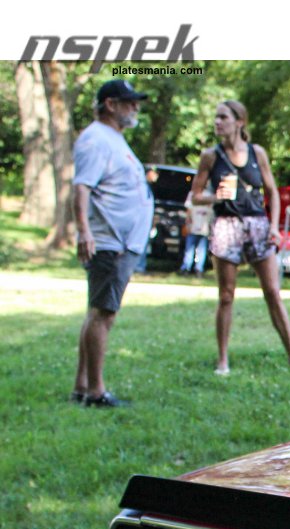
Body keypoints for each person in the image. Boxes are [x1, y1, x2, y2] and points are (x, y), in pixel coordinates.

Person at [190, 99, 290, 375]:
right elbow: (196, 196)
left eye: (223, 117)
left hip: (258, 224)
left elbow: (273, 192)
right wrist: (214, 196)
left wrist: (274, 226)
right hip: (226, 225)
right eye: (216, 117)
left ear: (239, 121)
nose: (217, 122)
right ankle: (223, 360)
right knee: (226, 296)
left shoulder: (257, 153)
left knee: (272, 292)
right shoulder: (211, 156)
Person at [70, 78, 154, 408]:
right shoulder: (96, 140)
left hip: (121, 242)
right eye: (130, 101)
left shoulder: (112, 138)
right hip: (109, 242)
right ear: (110, 104)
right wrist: (84, 232)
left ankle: (82, 386)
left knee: (99, 312)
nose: (135, 107)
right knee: (103, 314)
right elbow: (82, 188)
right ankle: (96, 392)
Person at [180, 190, 212, 275]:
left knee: (201, 249)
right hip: (194, 225)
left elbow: (211, 211)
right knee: (190, 248)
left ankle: (198, 269)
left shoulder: (209, 194)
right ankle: (186, 268)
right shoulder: (192, 193)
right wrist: (188, 223)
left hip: (204, 226)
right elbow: (189, 210)